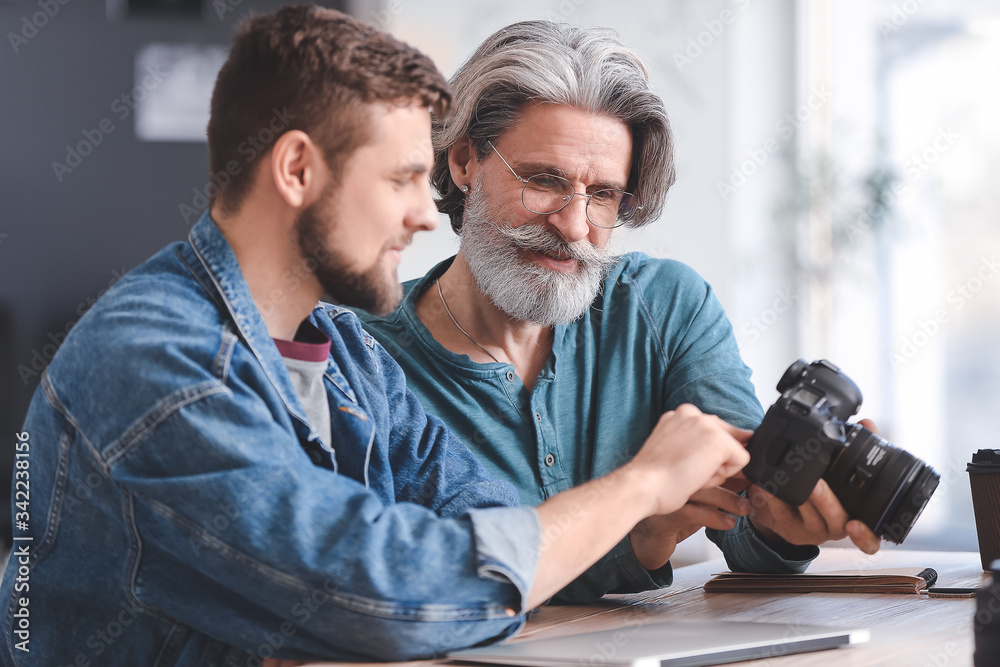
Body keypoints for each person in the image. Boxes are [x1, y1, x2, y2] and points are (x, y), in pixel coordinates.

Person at [0, 6, 753, 665]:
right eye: (399, 179)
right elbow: (381, 589)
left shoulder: (344, 353)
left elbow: (486, 536)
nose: (426, 215)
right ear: (297, 168)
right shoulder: (154, 359)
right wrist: (643, 483)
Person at [356, 20, 881, 603]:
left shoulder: (663, 306)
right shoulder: (359, 356)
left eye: (603, 194)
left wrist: (782, 519)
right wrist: (645, 534)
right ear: (462, 163)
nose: (576, 227)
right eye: (542, 181)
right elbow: (418, 586)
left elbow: (748, 531)